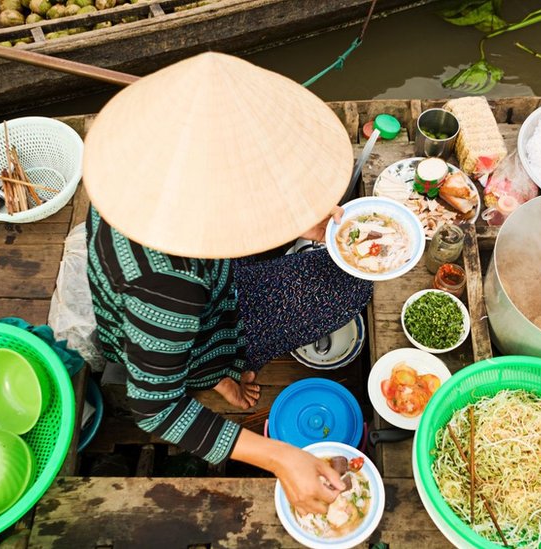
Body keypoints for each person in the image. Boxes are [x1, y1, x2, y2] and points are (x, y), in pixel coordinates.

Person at [81, 52, 370, 515]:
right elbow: (154, 406)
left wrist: (296, 218)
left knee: (333, 268)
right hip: (173, 337)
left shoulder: (133, 173)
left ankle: (215, 370)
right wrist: (278, 456)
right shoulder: (170, 287)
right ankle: (212, 369)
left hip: (195, 303)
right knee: (351, 286)